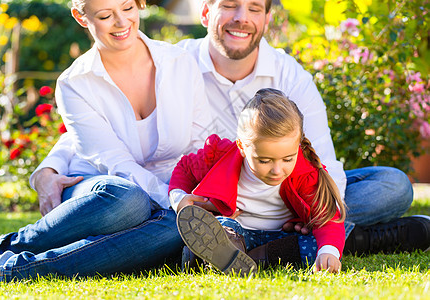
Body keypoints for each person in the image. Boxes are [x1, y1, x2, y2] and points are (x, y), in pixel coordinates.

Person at [30, 0, 430, 256]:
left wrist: (320, 212)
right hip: (213, 200)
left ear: (268, 18)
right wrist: (50, 166)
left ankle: (279, 238)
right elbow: (93, 133)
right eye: (230, 6)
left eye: (254, 7)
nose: (241, 18)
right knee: (173, 224)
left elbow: (321, 157)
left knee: (392, 186)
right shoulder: (176, 63)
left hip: (284, 194)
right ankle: (302, 241)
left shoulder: (290, 76)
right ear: (206, 13)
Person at [0, 0, 213, 282]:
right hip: (101, 191)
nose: (122, 22)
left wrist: (191, 197)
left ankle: (7, 271)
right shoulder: (74, 83)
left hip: (169, 191)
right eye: (105, 15)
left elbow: (199, 145)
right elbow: (116, 163)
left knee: (181, 229)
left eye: (128, 9)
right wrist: (173, 199)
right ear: (81, 16)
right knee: (130, 200)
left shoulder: (179, 63)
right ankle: (6, 246)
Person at [171, 88, 346, 275]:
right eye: (264, 160)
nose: (277, 170)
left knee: (313, 246)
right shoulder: (219, 156)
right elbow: (184, 168)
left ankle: (241, 260)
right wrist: (178, 197)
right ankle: (226, 254)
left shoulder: (304, 175)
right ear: (242, 147)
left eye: (288, 159)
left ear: (298, 146)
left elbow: (327, 218)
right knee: (222, 228)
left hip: (281, 238)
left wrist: (329, 251)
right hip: (238, 231)